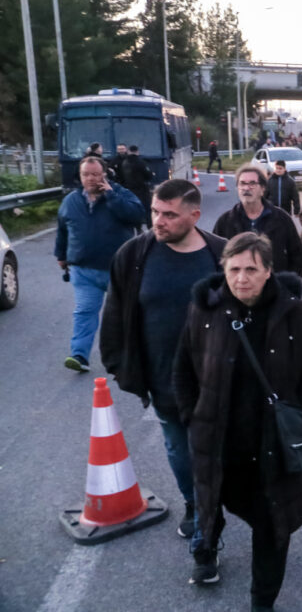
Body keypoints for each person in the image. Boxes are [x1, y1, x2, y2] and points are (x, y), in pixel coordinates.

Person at [173, 233, 302, 608]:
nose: (241, 278)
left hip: (271, 446)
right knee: (211, 503)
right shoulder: (205, 311)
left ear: (268, 271)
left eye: (251, 270)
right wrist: (193, 417)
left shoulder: (292, 314)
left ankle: (263, 599)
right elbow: (183, 370)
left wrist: (299, 414)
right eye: (234, 269)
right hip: (219, 440)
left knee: (271, 523)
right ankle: (206, 552)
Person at [99, 179, 227, 545]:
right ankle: (196, 503)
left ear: (194, 215)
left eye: (169, 215)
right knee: (178, 449)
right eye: (156, 211)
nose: (159, 221)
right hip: (163, 379)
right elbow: (116, 312)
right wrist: (118, 363)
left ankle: (210, 510)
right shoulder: (133, 255)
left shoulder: (220, 253)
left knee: (213, 451)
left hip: (215, 379)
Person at [55, 156, 145, 372]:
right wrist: (61, 255)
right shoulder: (71, 201)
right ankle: (79, 355)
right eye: (86, 174)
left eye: (95, 174)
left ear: (104, 174)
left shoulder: (119, 193)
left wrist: (111, 196)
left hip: (118, 270)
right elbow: (62, 230)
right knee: (85, 312)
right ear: (80, 176)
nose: (91, 178)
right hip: (83, 270)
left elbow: (138, 215)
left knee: (126, 314)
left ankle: (132, 355)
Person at [214, 164, 302, 277]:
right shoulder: (226, 221)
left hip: (274, 289)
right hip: (238, 288)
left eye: (252, 183)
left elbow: (298, 256)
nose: (246, 188)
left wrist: (288, 286)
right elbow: (215, 258)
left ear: (263, 189)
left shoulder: (281, 218)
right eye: (242, 183)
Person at [121, 144, 155, 227]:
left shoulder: (124, 163)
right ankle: (150, 227)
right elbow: (148, 175)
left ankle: (136, 226)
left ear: (128, 151)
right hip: (142, 189)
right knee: (147, 209)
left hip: (130, 189)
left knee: (134, 209)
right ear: (137, 152)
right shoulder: (141, 162)